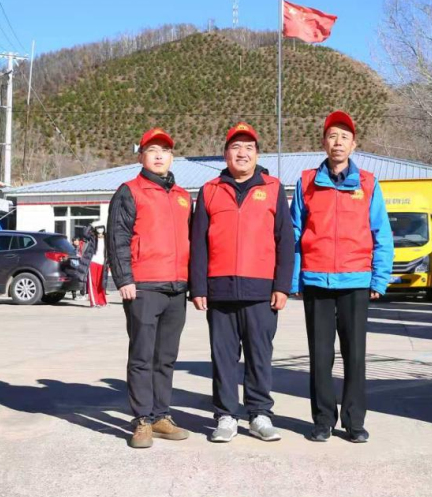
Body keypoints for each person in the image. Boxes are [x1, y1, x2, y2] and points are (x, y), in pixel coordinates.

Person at [290, 110, 394, 444]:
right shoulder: (307, 182)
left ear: (353, 145)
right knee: (320, 356)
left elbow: (381, 233)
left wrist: (379, 278)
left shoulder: (368, 183)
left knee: (355, 355)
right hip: (316, 281)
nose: (338, 142)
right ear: (324, 142)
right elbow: (294, 233)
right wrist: (294, 280)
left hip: (355, 281)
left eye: (344, 137)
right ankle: (322, 420)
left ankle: (354, 421)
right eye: (332, 136)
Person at [190, 122, 294, 443]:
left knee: (259, 355)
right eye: (236, 147)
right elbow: (198, 243)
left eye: (249, 147)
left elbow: (285, 241)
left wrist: (282, 285)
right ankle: (225, 416)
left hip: (261, 290)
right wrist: (199, 287)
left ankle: (259, 414)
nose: (242, 153)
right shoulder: (209, 190)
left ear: (257, 154)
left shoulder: (273, 188)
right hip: (220, 290)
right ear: (225, 154)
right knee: (223, 357)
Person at [107, 127, 193, 449]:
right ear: (141, 156)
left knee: (166, 357)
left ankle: (161, 415)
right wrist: (124, 279)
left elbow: (191, 240)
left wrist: (192, 283)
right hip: (143, 286)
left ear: (172, 157)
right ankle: (142, 419)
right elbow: (117, 236)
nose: (159, 156)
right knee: (142, 356)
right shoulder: (129, 191)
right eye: (152, 150)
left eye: (165, 151)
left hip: (176, 288)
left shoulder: (183, 196)